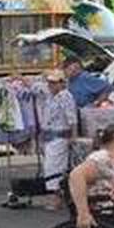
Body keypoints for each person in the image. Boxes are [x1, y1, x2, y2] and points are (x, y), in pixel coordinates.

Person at [38, 69, 79, 210]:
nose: (50, 85)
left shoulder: (65, 96)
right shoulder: (51, 96)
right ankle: (56, 197)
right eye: (50, 82)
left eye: (54, 83)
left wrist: (73, 136)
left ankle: (55, 198)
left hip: (59, 136)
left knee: (54, 167)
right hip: (49, 136)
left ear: (62, 83)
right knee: (50, 167)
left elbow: (71, 118)